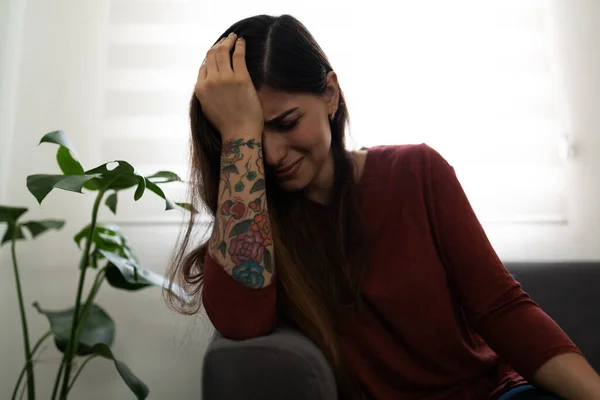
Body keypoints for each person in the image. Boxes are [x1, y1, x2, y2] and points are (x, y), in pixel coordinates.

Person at [165, 14, 600, 400]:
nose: (274, 154)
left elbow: (503, 310)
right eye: (253, 139)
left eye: (286, 123)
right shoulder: (253, 230)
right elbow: (242, 323)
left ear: (330, 95)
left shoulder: (417, 171)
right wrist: (239, 132)